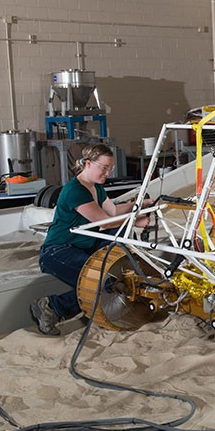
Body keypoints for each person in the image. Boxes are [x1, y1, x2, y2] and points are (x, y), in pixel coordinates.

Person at [31, 143, 152, 335]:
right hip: (58, 251)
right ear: (88, 164)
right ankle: (52, 307)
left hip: (83, 246)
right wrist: (135, 220)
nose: (107, 173)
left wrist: (141, 204)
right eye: (104, 168)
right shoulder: (75, 190)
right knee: (107, 281)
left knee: (120, 238)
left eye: (110, 168)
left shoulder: (96, 188)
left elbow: (114, 211)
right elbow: (104, 222)